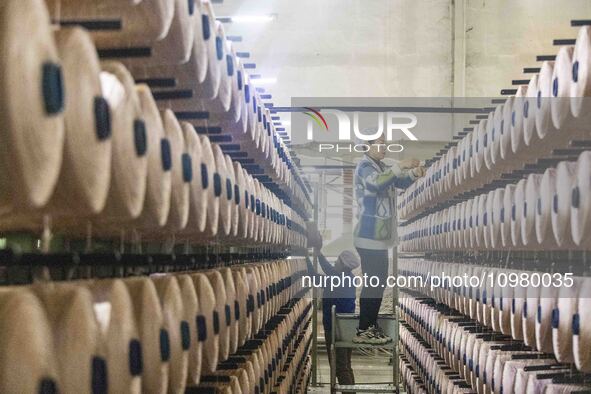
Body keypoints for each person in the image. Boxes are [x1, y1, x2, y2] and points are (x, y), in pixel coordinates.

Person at [352, 134, 425, 344]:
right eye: (379, 144)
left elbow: (398, 182)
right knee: (374, 282)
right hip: (369, 237)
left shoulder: (380, 166)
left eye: (385, 143)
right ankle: (364, 329)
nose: (384, 147)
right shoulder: (365, 167)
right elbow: (375, 184)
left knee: (378, 282)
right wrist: (399, 165)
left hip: (379, 238)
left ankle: (369, 325)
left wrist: (413, 174)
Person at [305, 248, 360, 388]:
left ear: (343, 264)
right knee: (345, 365)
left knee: (340, 367)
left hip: (337, 328)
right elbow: (328, 269)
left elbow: (314, 276)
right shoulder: (347, 277)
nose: (335, 262)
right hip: (346, 327)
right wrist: (318, 254)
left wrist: (305, 256)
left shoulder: (337, 280)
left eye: (338, 260)